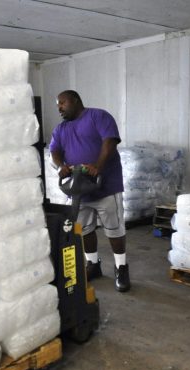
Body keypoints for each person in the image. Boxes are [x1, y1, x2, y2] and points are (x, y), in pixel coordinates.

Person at [49, 90, 130, 292]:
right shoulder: (60, 129)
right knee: (84, 229)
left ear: (75, 100)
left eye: (62, 103)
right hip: (79, 190)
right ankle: (93, 264)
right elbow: (55, 151)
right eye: (57, 104)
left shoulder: (98, 116)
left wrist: (98, 166)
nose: (59, 107)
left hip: (106, 186)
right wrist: (60, 166)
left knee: (114, 229)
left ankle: (121, 267)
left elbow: (109, 142)